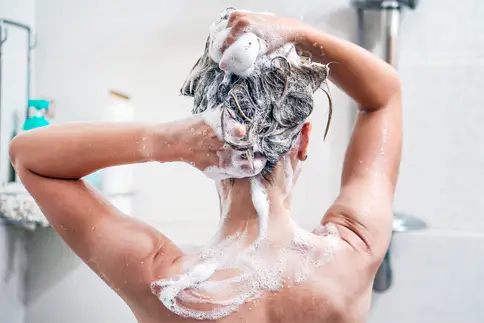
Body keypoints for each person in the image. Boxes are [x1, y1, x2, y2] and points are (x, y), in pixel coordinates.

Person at [9, 9, 401, 323]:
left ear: (204, 132)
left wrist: (165, 141)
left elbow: (29, 156)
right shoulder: (353, 254)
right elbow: (384, 96)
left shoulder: (166, 284)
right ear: (303, 140)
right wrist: (295, 31)